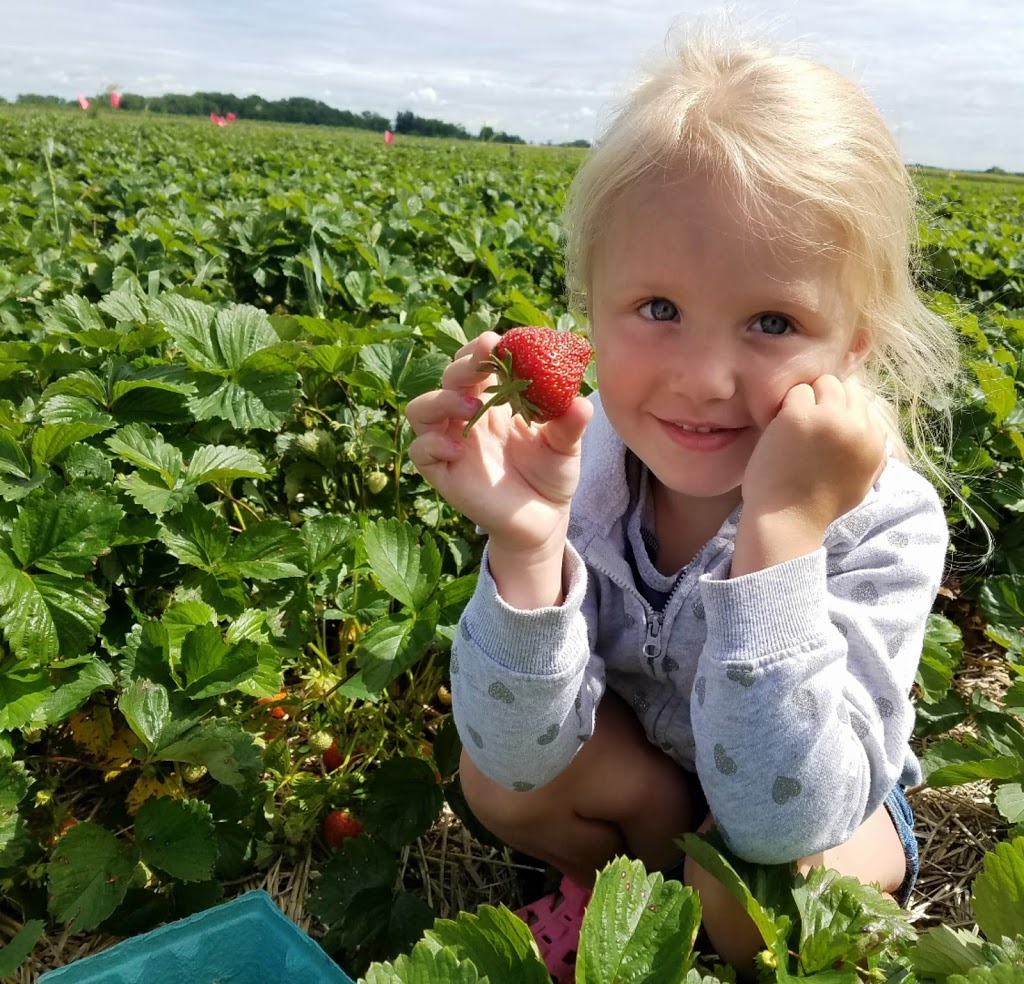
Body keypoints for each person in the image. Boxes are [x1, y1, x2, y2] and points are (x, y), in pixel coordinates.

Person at [406, 18, 960, 980]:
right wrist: (530, 551)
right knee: (494, 781)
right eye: (657, 310)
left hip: (819, 804)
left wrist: (783, 534)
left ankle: (712, 936)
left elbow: (786, 813)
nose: (705, 379)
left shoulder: (885, 519)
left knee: (759, 891)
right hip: (661, 781)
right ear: (591, 302)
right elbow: (520, 754)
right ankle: (628, 903)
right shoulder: (585, 469)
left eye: (774, 321)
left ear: (855, 344)